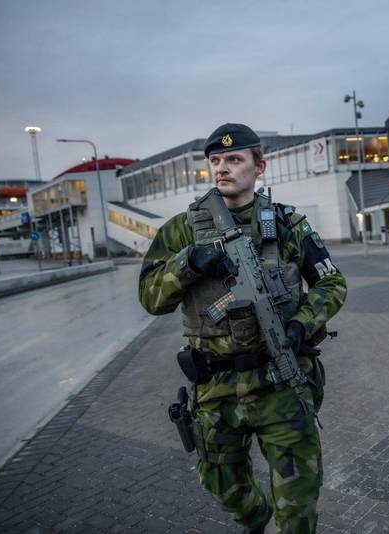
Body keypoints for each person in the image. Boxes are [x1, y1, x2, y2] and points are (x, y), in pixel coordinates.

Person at [139, 123, 347, 533]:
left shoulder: (287, 223)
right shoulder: (182, 229)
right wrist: (189, 263)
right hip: (216, 389)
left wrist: (300, 327)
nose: (222, 169)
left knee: (299, 504)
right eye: (215, 161)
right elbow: (150, 297)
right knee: (225, 488)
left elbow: (332, 283)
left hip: (281, 386)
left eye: (234, 160)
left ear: (259, 166)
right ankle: (256, 516)